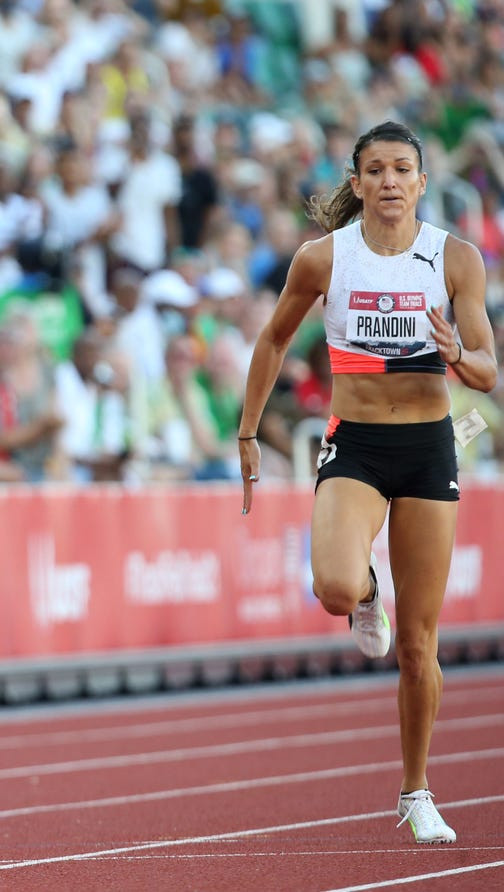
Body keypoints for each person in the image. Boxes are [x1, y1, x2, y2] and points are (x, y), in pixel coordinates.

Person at [238, 121, 497, 846]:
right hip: (353, 444)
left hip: (427, 449)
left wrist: (457, 355)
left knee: (417, 646)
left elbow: (488, 369)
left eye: (402, 169)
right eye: (375, 170)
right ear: (356, 184)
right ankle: (366, 590)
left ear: (421, 182)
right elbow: (273, 338)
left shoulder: (456, 259)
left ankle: (416, 790)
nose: (389, 181)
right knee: (334, 589)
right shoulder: (325, 258)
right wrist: (248, 430)